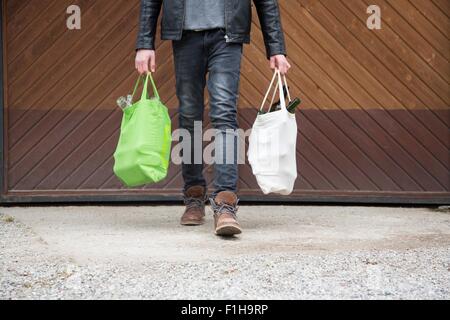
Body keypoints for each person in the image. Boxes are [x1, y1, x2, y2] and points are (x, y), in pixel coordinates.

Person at [135, 0, 291, 236]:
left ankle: (226, 203)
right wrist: (145, 43)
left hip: (227, 36)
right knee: (189, 117)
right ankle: (194, 197)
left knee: (225, 114)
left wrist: (276, 47)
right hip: (185, 36)